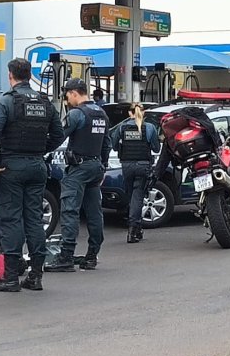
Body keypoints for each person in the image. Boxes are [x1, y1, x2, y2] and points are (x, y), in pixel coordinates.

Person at [0, 58, 65, 292]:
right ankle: (36, 276)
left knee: (11, 220)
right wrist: (39, 151)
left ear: (10, 75)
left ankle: (10, 277)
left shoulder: (6, 101)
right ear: (29, 75)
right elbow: (58, 135)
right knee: (34, 220)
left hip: (11, 166)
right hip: (37, 165)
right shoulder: (44, 102)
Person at [46, 78, 111, 272]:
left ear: (74, 93)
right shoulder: (101, 113)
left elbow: (58, 137)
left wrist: (39, 150)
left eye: (67, 95)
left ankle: (66, 256)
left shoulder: (77, 114)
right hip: (95, 167)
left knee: (70, 211)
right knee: (94, 212)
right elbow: (106, 144)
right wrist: (103, 167)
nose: (67, 100)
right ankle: (92, 255)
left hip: (79, 168)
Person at [110, 103, 160, 243]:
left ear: (129, 113)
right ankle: (133, 230)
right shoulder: (149, 128)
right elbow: (156, 148)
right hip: (143, 165)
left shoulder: (122, 127)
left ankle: (136, 227)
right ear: (143, 113)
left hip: (127, 165)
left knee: (131, 196)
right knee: (137, 197)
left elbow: (114, 146)